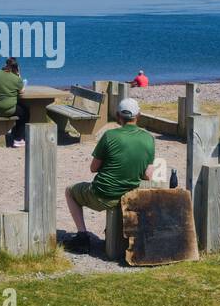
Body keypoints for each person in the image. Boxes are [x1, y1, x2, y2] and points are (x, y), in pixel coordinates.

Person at [64, 97, 156, 251]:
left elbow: (93, 168)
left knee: (70, 191)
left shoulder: (109, 136)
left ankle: (82, 235)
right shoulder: (149, 138)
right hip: (129, 193)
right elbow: (147, 175)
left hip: (103, 194)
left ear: (118, 115)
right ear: (138, 115)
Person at [0, 57, 28, 148]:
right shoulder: (16, 79)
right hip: (6, 110)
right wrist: (18, 75)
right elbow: (21, 91)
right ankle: (18, 139)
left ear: (5, 65)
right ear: (16, 69)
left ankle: (14, 133)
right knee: (25, 112)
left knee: (20, 108)